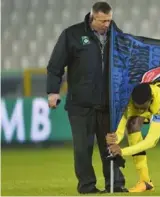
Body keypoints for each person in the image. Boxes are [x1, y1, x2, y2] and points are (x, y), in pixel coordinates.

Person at [46, 1, 127, 194]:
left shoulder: (118, 37)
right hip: (80, 105)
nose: (107, 25)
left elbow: (126, 66)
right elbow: (55, 66)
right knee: (83, 149)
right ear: (92, 18)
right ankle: (87, 186)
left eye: (109, 20)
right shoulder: (72, 35)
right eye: (103, 21)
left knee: (110, 145)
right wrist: (53, 91)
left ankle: (115, 185)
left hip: (108, 104)